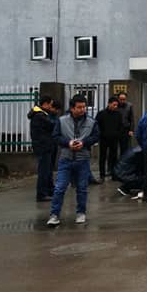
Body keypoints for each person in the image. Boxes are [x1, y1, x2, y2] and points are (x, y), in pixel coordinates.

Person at [47, 95, 100, 227]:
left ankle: (81, 213)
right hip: (66, 158)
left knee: (82, 188)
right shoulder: (62, 121)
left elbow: (96, 136)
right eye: (79, 107)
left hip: (83, 159)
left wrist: (84, 143)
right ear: (72, 108)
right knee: (60, 188)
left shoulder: (91, 122)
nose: (82, 110)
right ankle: (54, 215)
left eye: (84, 107)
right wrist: (68, 143)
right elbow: (55, 136)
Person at [28, 95, 56, 202]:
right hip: (43, 146)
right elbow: (51, 126)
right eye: (50, 105)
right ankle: (41, 194)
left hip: (44, 146)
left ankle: (49, 190)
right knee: (44, 171)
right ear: (45, 104)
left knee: (47, 170)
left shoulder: (40, 114)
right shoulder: (40, 116)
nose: (51, 107)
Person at [95, 97, 123, 181]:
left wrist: (118, 134)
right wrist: (100, 135)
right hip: (104, 139)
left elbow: (120, 125)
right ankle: (102, 174)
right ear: (109, 104)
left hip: (114, 139)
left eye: (116, 105)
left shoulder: (118, 114)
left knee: (114, 157)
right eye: (114, 105)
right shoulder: (101, 114)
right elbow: (96, 125)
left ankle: (114, 174)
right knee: (103, 156)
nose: (115, 107)